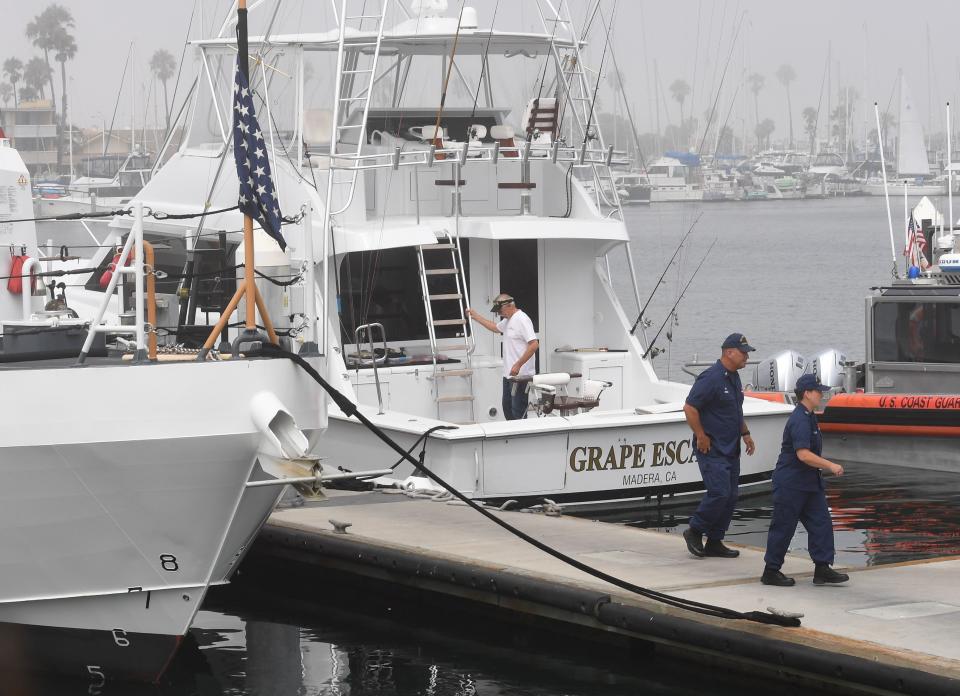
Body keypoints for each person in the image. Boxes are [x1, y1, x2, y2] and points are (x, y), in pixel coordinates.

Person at [762, 374, 850, 587]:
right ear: (807, 393)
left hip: (809, 483)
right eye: (819, 391)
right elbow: (803, 455)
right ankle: (771, 571)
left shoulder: (810, 416)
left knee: (821, 523)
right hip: (791, 483)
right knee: (784, 527)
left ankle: (822, 568)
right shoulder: (800, 419)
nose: (822, 394)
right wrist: (830, 465)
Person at [681, 333, 757, 559]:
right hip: (712, 448)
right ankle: (694, 531)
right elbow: (690, 408)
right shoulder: (711, 378)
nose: (746, 357)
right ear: (729, 352)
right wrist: (701, 435)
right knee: (719, 492)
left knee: (731, 495)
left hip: (731, 447)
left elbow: (734, 410)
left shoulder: (734, 377)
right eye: (743, 352)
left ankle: (715, 540)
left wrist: (746, 433)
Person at [467, 294, 539, 420]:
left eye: (500, 310)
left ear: (509, 305)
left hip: (521, 376)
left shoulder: (522, 319)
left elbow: (534, 345)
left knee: (518, 411)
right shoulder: (508, 320)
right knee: (507, 408)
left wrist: (518, 364)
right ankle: (512, 437)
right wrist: (476, 317)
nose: (499, 314)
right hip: (508, 375)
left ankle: (521, 437)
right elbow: (495, 327)